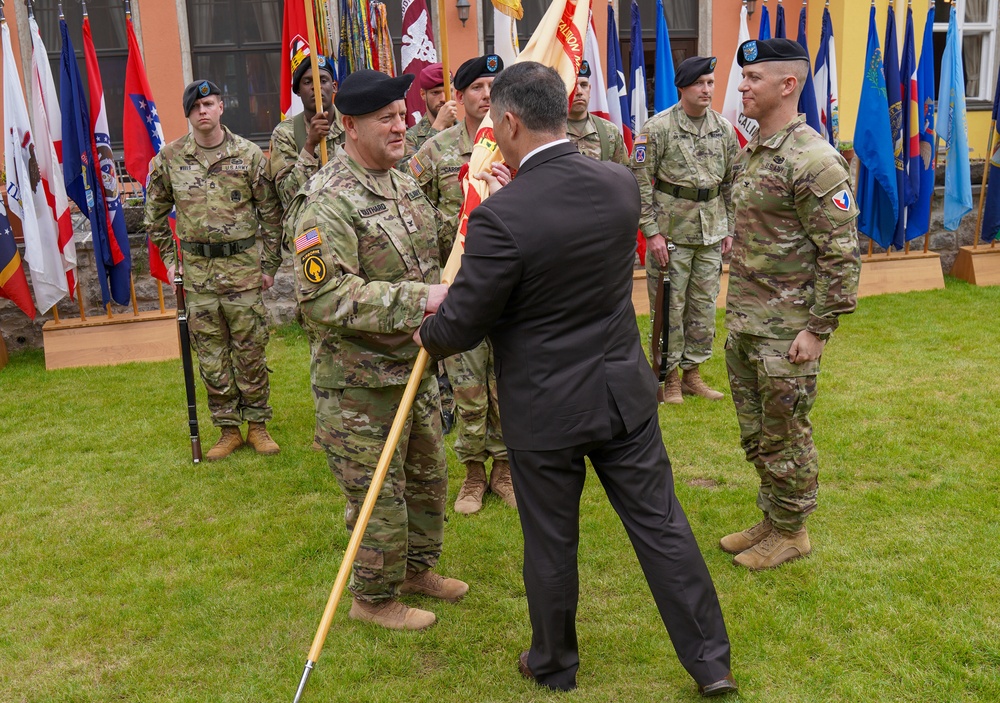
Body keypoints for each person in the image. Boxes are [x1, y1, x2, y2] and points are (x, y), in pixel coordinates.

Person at [416, 61, 736, 698]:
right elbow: (561, 250)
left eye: (492, 123)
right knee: (663, 528)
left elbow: (461, 326)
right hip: (622, 393)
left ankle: (555, 664)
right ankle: (712, 664)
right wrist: (508, 203)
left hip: (546, 409)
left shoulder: (501, 219)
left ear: (509, 122)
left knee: (552, 543)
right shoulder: (618, 183)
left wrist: (430, 322)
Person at [282, 69, 467, 631]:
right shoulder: (326, 201)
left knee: (428, 477)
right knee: (378, 495)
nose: (400, 125)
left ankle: (415, 570)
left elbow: (443, 242)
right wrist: (423, 299)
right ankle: (373, 597)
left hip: (415, 367)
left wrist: (488, 202)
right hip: (360, 384)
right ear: (349, 126)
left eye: (401, 114)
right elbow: (324, 296)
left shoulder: (402, 181)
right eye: (385, 118)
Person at [721, 38, 860, 570]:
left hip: (788, 333)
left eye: (753, 79)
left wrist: (818, 329)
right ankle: (774, 516)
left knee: (786, 433)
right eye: (744, 78)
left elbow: (842, 254)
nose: (742, 87)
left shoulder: (815, 160)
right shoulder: (755, 150)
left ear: (788, 85)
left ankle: (793, 531)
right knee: (757, 435)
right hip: (749, 323)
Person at [146, 80, 283, 461]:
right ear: (188, 114)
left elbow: (271, 213)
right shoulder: (170, 158)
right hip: (198, 274)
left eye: (208, 104)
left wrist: (269, 264)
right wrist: (170, 259)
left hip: (242, 270)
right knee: (210, 354)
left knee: (250, 348)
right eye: (195, 107)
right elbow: (153, 213)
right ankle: (227, 429)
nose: (202, 111)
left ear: (222, 107)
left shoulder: (249, 154)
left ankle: (257, 425)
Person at [409, 54, 514, 514]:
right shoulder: (435, 151)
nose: (486, 94)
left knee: (507, 378)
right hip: (459, 285)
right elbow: (407, 207)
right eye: (476, 87)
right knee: (469, 381)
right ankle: (473, 472)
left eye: (494, 85)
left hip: (507, 284)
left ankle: (505, 470)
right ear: (459, 96)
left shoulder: (514, 144)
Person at [631, 55, 739, 404]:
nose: (707, 89)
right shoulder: (658, 128)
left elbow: (731, 182)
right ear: (683, 87)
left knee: (704, 306)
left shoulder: (722, 129)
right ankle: (670, 376)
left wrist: (729, 228)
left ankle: (693, 373)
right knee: (669, 306)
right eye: (700, 83)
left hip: (710, 232)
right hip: (671, 233)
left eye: (710, 83)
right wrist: (651, 232)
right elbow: (640, 181)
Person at [268, 54, 344, 210]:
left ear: (334, 86)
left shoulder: (352, 124)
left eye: (323, 81)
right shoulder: (285, 133)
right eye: (308, 82)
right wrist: (310, 145)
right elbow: (287, 195)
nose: (317, 87)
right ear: (297, 91)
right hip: (309, 225)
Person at [566, 60, 627, 164]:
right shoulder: (550, 132)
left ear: (589, 89)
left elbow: (623, 173)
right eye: (573, 85)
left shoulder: (610, 131)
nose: (579, 92)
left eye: (584, 85)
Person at [403, 63, 458, 159]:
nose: (443, 99)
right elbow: (409, 171)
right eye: (436, 92)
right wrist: (437, 128)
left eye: (449, 91)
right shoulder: (410, 138)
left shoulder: (466, 131)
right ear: (423, 94)